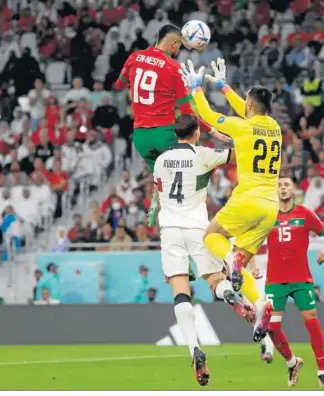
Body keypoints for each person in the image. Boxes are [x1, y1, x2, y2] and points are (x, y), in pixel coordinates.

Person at [181, 58, 280, 342]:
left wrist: (197, 89)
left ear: (249, 107)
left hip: (247, 199)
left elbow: (209, 116)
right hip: (270, 207)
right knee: (241, 263)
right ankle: (261, 304)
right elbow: (246, 109)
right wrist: (225, 88)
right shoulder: (273, 127)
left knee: (212, 236)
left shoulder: (242, 128)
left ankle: (230, 258)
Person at [153, 114, 255, 386]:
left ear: (176, 134)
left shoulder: (161, 160)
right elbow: (237, 155)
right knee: (214, 280)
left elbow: (158, 195)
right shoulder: (204, 154)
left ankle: (194, 349)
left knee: (180, 289)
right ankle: (230, 294)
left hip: (170, 229)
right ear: (196, 132)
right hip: (198, 227)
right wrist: (234, 134)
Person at [114, 24, 227, 227]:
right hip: (165, 134)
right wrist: (211, 130)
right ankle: (196, 220)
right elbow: (187, 114)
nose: (179, 51)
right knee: (195, 167)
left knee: (163, 178)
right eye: (179, 47)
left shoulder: (135, 57)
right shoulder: (174, 69)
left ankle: (159, 201)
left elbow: (118, 85)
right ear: (174, 43)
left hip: (140, 138)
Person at [264, 177, 324, 388]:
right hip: (275, 280)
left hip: (301, 278)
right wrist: (251, 264)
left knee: (311, 320)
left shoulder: (304, 213)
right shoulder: (267, 215)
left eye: (286, 185)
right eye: (279, 185)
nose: (283, 188)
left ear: (293, 189)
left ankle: (322, 371)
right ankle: (292, 362)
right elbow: (253, 240)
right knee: (272, 328)